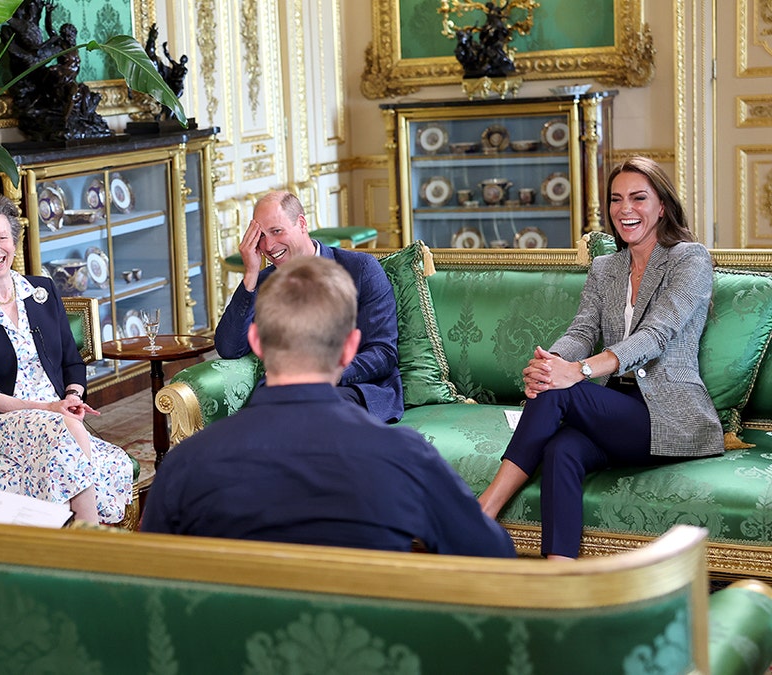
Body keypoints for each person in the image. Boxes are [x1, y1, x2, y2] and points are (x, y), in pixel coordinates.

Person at [141, 256, 515, 557]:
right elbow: (490, 558)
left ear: (255, 340)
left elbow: (148, 590)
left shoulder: (186, 464)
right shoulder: (405, 457)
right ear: (351, 347)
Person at [477, 156, 723, 559]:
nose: (625, 209)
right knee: (561, 451)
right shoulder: (606, 267)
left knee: (563, 390)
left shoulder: (689, 259)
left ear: (662, 206)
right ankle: (560, 577)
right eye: (616, 199)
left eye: (638, 198)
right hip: (613, 413)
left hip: (666, 417)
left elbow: (655, 335)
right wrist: (550, 363)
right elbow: (582, 331)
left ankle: (485, 508)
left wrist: (578, 371)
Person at [0, 194, 132, 524]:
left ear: (14, 242)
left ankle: (76, 538)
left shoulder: (42, 291)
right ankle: (90, 532)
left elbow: (72, 360)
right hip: (1, 424)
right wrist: (49, 409)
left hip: (59, 418)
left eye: (2, 238)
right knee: (66, 431)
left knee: (87, 445)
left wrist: (71, 397)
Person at [215, 191, 404, 423]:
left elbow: (383, 353)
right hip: (283, 393)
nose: (269, 245)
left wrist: (322, 376)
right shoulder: (263, 282)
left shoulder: (361, 269)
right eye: (261, 236)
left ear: (301, 223)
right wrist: (251, 275)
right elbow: (228, 347)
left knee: (315, 409)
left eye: (276, 231)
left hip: (354, 388)